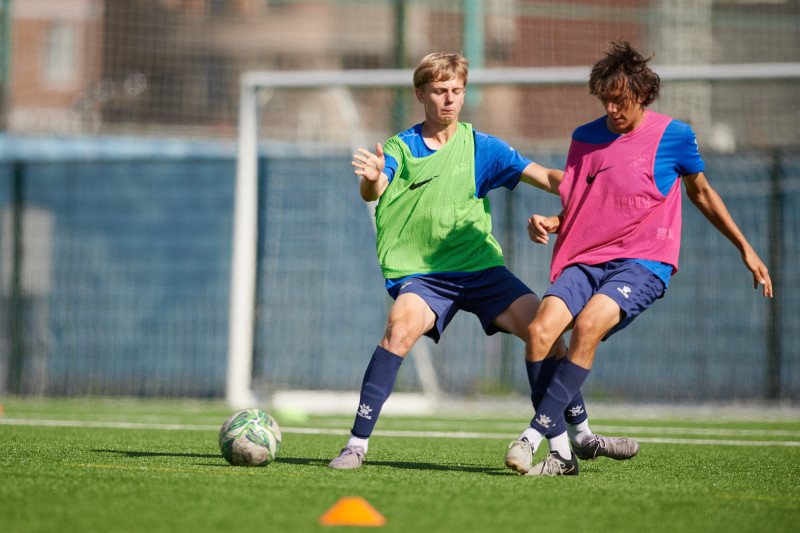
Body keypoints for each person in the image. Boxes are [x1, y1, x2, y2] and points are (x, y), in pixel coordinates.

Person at [328, 52, 639, 470]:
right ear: (420, 94)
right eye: (439, 91)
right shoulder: (401, 147)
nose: (449, 99)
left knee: (545, 332)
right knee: (398, 330)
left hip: (480, 269)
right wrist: (371, 179)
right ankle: (356, 446)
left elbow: (547, 177)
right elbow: (378, 185)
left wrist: (597, 185)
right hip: (424, 275)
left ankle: (581, 436)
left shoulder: (481, 147)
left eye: (456, 90)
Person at [504, 40, 774, 476]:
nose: (612, 109)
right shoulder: (584, 138)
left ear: (644, 94)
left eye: (620, 100)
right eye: (606, 100)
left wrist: (745, 247)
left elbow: (702, 193)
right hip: (584, 258)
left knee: (587, 327)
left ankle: (532, 438)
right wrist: (553, 221)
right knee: (539, 332)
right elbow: (584, 202)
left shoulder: (674, 136)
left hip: (642, 262)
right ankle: (569, 451)